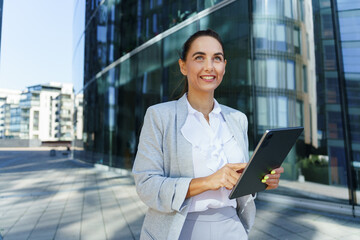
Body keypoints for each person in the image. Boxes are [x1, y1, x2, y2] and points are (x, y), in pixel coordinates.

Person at [132, 29, 284, 240]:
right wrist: (208, 181)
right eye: (199, 57)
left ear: (224, 66)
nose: (209, 66)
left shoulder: (237, 119)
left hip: (232, 227)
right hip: (181, 229)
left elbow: (238, 182)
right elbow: (146, 184)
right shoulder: (159, 116)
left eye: (217, 58)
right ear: (183, 66)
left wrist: (260, 180)